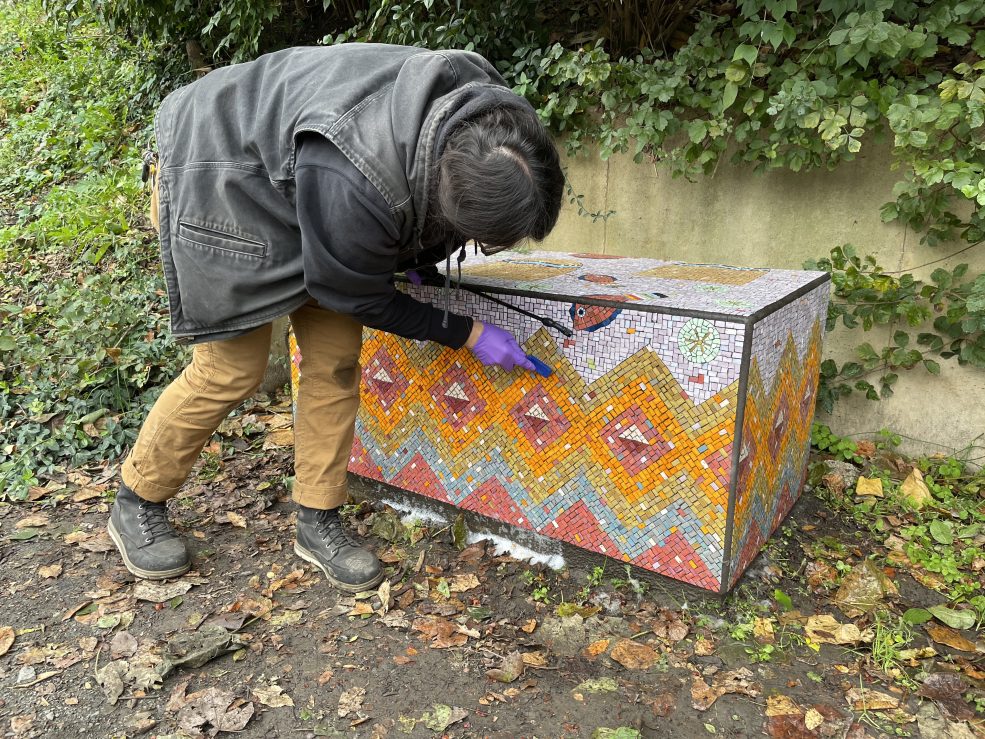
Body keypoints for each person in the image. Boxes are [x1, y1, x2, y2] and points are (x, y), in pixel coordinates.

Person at [107, 43, 565, 593]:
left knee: (336, 365)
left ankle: (316, 517)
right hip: (216, 176)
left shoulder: (501, 128)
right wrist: (465, 332)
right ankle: (137, 498)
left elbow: (399, 224)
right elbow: (354, 292)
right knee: (232, 370)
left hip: (304, 179)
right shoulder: (359, 174)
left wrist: (412, 254)